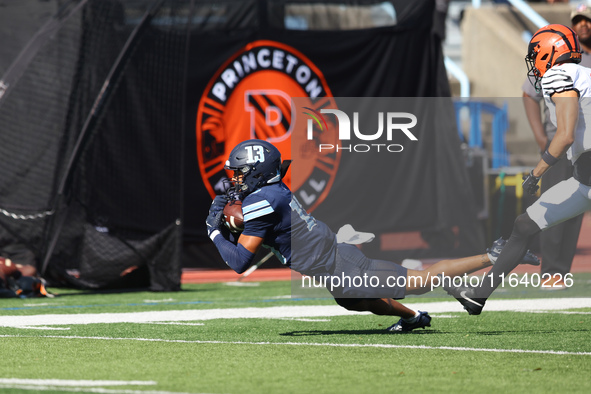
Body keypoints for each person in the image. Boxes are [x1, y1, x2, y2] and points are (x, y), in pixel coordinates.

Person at [206, 139, 540, 331]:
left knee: (421, 281)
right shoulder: (272, 191)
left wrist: (215, 233)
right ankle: (413, 318)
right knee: (352, 302)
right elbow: (262, 220)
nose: (235, 179)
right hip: (336, 257)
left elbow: (239, 262)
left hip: (338, 267)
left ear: (257, 173)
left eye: (240, 173)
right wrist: (234, 216)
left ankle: (494, 254)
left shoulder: (262, 201)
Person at [444, 24, 591, 314]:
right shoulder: (581, 73)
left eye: (535, 53)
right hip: (584, 178)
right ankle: (478, 295)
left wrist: (536, 173)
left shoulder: (558, 73)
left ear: (549, 52)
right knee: (524, 224)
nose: (534, 61)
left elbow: (564, 135)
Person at [520, 6, 591, 289]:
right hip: (561, 146)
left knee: (574, 212)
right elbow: (528, 93)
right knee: (552, 206)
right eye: (578, 21)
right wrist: (541, 137)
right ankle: (550, 271)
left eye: (588, 20)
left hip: (585, 148)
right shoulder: (559, 56)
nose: (583, 25)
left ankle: (561, 270)